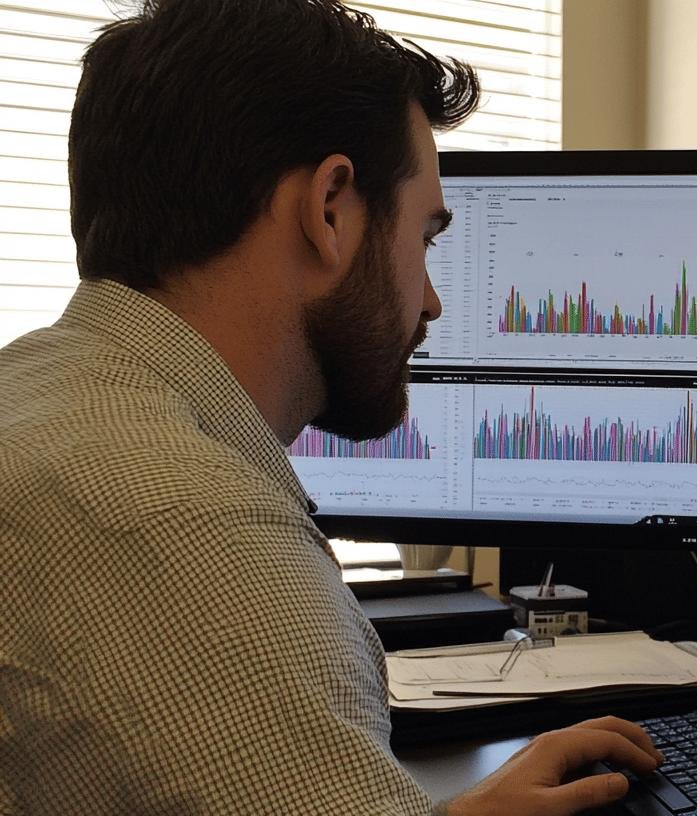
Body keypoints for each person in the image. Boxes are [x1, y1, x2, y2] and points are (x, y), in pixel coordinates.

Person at [0, 1, 661, 813]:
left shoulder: (34, 396)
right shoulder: (194, 532)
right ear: (329, 210)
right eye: (424, 238)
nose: (431, 300)